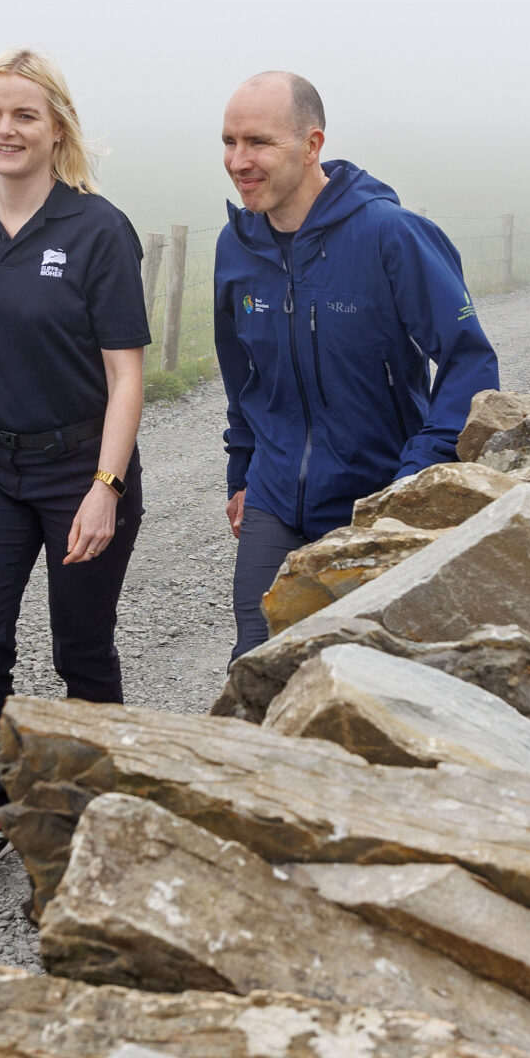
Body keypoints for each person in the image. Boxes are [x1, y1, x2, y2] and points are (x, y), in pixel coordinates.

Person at [0, 50, 149, 883]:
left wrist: (106, 486)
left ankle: (104, 803)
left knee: (81, 646)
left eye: (24, 115)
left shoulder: (97, 228)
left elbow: (125, 372)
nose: (5, 130)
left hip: (79, 467)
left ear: (57, 125)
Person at [212, 72, 500, 660]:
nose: (238, 160)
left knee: (365, 670)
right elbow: (242, 374)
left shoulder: (390, 235)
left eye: (258, 142)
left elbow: (470, 361)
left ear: (312, 144)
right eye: (229, 141)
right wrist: (241, 472)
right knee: (256, 664)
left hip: (373, 501)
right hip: (273, 499)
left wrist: (415, 476)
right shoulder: (235, 247)